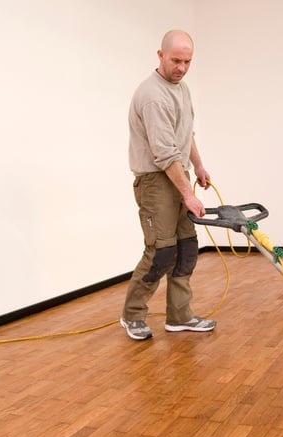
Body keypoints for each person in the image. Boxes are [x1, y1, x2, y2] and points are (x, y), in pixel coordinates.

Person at [120, 30, 216, 340]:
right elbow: (163, 153)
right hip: (155, 180)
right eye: (176, 61)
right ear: (160, 56)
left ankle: (180, 315)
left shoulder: (183, 89)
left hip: (179, 173)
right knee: (161, 251)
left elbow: (185, 133)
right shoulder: (151, 95)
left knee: (187, 248)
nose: (182, 68)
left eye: (188, 62)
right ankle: (132, 315)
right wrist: (187, 194)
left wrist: (198, 165)